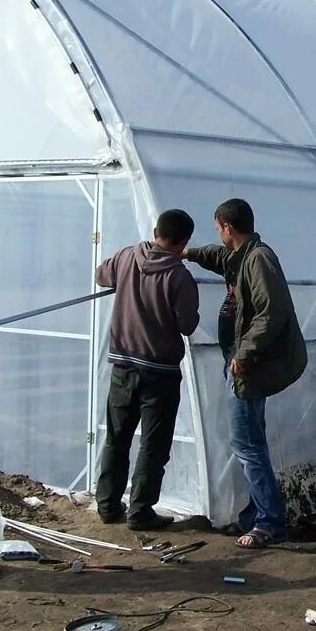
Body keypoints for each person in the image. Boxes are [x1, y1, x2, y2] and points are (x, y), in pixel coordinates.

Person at [184, 198, 307, 548]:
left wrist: (245, 352)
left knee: (247, 445)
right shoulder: (240, 256)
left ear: (227, 227)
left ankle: (269, 523)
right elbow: (216, 256)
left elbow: (273, 312)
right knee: (251, 442)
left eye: (218, 228)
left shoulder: (259, 259)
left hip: (248, 367)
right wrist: (187, 254)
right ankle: (253, 517)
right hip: (242, 363)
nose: (217, 235)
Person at [95, 209, 200, 530]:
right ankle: (140, 512)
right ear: (184, 241)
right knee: (153, 445)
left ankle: (108, 506)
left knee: (117, 439)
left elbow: (101, 275)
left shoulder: (127, 256)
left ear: (155, 230)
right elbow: (187, 324)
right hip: (160, 372)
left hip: (123, 367)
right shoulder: (179, 276)